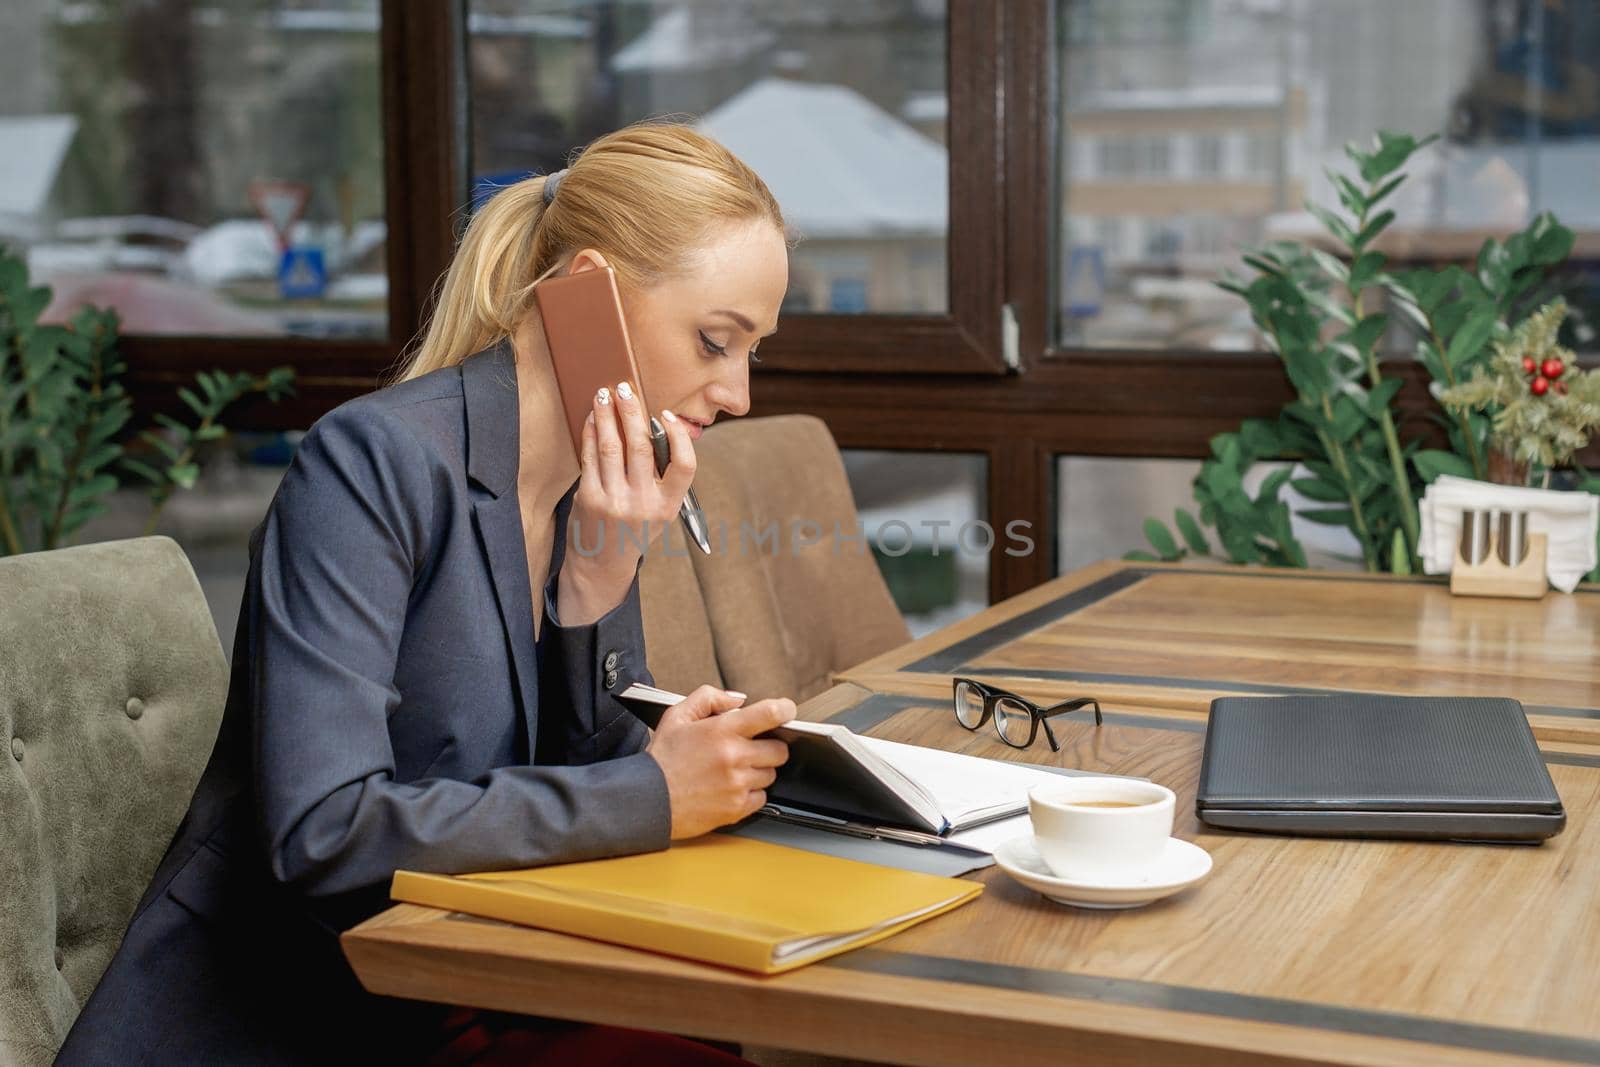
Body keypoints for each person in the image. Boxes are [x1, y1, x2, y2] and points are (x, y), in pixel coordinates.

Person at [58, 122, 796, 1065]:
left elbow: (583, 782)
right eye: (715, 340)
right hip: (287, 1019)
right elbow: (325, 834)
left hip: (468, 988)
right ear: (589, 292)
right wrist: (654, 787)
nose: (735, 393)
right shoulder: (370, 467)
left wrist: (595, 585)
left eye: (751, 353)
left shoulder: (594, 495)